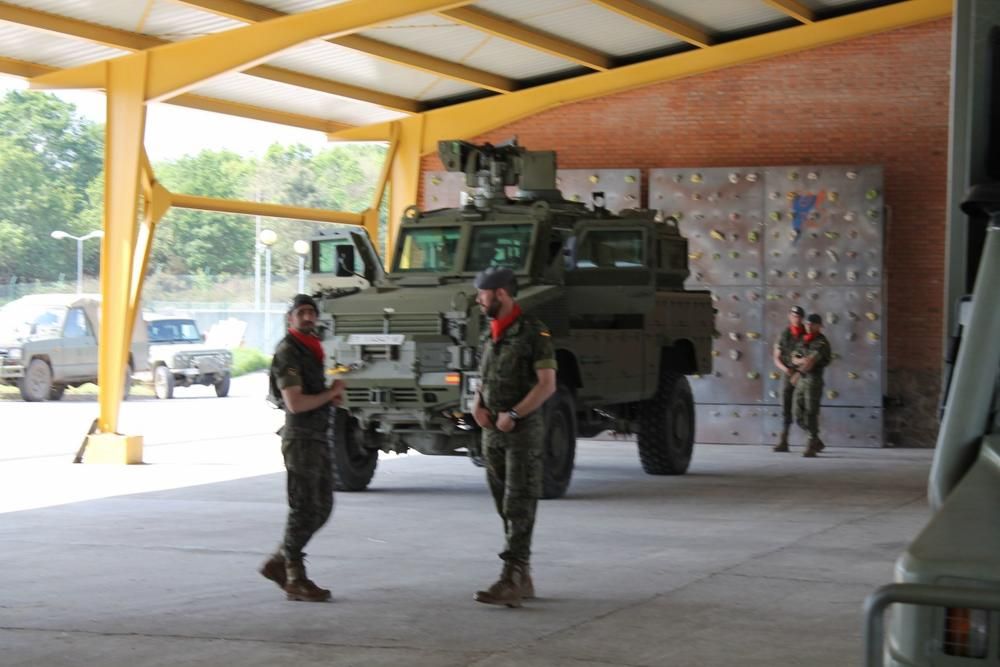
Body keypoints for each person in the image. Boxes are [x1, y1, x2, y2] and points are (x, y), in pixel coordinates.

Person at [471, 267, 557, 608]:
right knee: (503, 505)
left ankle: (511, 577)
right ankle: (523, 575)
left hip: (521, 432)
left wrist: (516, 414)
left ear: (502, 294)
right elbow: (482, 378)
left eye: (483, 294)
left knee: (518, 503)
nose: (479, 300)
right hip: (492, 432)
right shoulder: (489, 333)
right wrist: (477, 405)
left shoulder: (534, 331)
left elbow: (547, 384)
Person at [259, 294, 344, 602]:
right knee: (304, 509)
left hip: (318, 436)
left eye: (312, 312)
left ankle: (280, 561)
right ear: (290, 318)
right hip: (301, 439)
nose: (308, 317)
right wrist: (330, 393)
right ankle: (294, 575)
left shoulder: (311, 349)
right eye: (302, 312)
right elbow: (295, 403)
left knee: (321, 507)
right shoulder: (289, 351)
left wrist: (328, 396)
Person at [791, 313, 832, 458]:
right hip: (803, 381)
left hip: (813, 380)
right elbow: (794, 358)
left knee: (811, 412)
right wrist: (802, 360)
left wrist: (798, 370)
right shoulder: (803, 340)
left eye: (812, 324)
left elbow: (810, 362)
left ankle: (811, 445)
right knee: (798, 414)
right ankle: (815, 439)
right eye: (807, 324)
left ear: (819, 326)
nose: (808, 326)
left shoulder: (821, 342)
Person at [772, 305, 806, 452]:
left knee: (803, 408)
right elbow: (776, 356)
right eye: (793, 316)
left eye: (798, 316)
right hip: (788, 373)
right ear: (789, 316)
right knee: (785, 405)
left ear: (802, 318)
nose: (796, 318)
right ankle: (784, 440)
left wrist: (800, 371)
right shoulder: (784, 334)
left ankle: (813, 439)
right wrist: (786, 369)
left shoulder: (807, 333)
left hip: (804, 374)